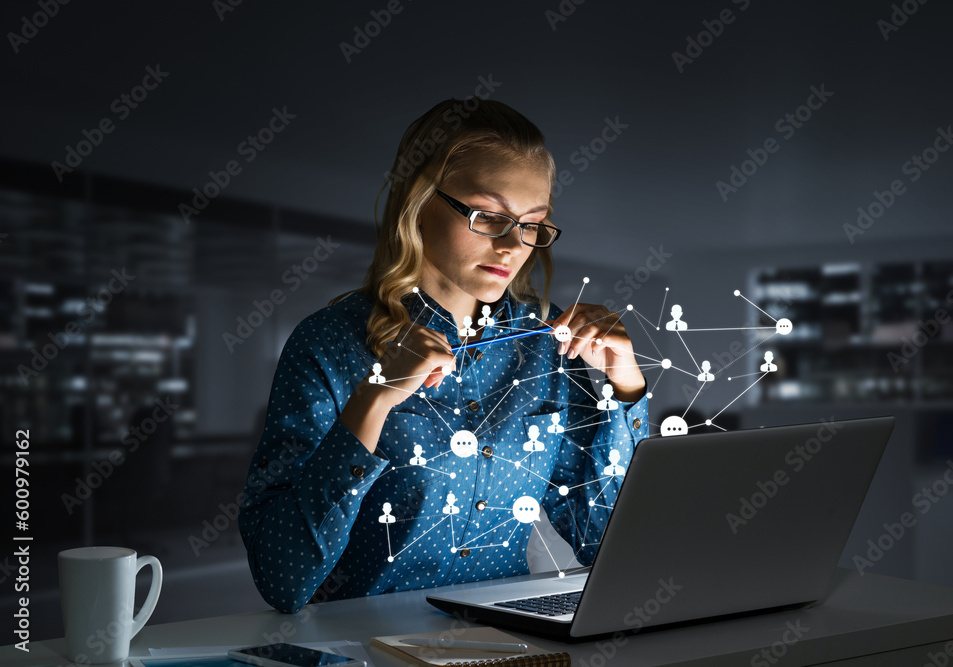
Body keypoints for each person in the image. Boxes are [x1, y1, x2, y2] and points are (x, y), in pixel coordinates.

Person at [238, 98, 649, 613]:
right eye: (488, 217)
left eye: (531, 224)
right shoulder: (328, 345)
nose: (512, 246)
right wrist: (375, 398)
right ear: (419, 201)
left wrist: (625, 390)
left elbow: (611, 545)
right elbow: (283, 581)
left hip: (509, 646)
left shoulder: (546, 346)